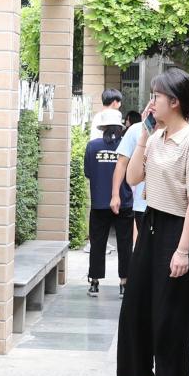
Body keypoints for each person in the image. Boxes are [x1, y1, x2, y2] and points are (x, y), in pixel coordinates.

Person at [110, 68, 189, 376]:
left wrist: (182, 251)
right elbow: (133, 178)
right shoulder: (156, 138)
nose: (151, 102)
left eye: (157, 96)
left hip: (178, 230)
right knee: (136, 306)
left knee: (170, 317)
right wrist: (143, 136)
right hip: (151, 225)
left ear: (176, 102)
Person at [84, 109, 134, 297]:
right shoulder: (126, 145)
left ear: (103, 127)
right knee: (125, 243)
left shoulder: (92, 146)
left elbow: (88, 172)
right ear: (120, 127)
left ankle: (94, 282)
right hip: (124, 201)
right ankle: (124, 282)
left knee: (97, 242)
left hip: (99, 201)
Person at [112, 117, 148, 246]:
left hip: (170, 206)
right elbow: (121, 163)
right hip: (142, 204)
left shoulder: (180, 129)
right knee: (142, 247)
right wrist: (115, 194)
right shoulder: (136, 129)